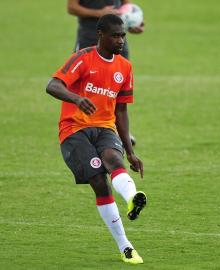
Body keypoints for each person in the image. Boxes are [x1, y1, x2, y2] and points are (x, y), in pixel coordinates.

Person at [46, 14, 146, 265]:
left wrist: (130, 152)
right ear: (100, 35)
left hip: (104, 127)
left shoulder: (124, 67)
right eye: (115, 35)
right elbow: (52, 85)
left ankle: (133, 197)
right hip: (74, 130)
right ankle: (125, 246)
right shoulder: (83, 58)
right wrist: (77, 98)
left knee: (114, 159)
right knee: (100, 182)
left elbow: (121, 110)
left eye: (122, 35)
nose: (120, 40)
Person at [67, 0, 144, 145]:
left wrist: (132, 22)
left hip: (116, 41)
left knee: (115, 86)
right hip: (89, 39)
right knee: (85, 86)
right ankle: (82, 126)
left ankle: (115, 128)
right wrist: (99, 13)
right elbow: (71, 7)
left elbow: (126, 5)